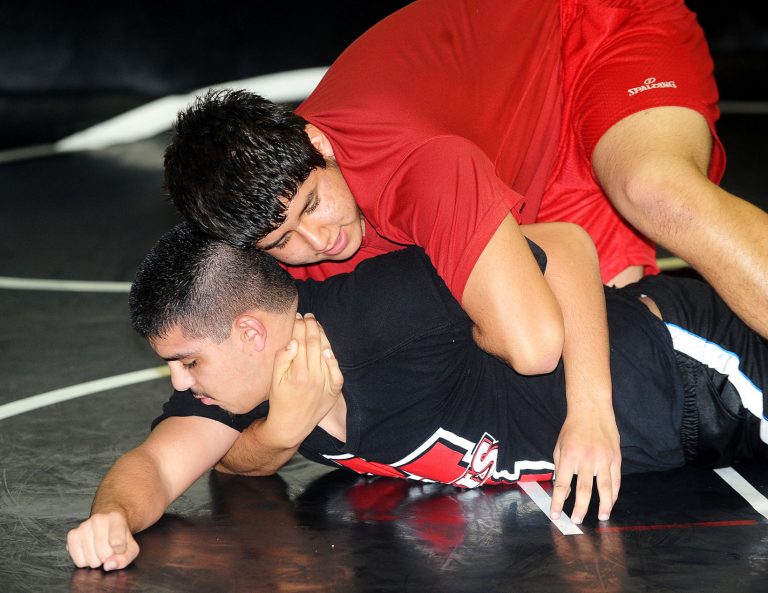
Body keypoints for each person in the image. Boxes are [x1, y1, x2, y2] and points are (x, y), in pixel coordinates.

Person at [163, 0, 768, 521]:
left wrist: (591, 412)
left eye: (313, 205)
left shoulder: (414, 167)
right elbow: (202, 436)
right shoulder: (275, 238)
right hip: (518, 158)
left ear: (317, 143)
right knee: (607, 314)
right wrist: (278, 432)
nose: (318, 242)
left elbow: (533, 346)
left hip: (586, 25)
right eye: (282, 241)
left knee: (654, 188)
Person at [67, 223, 767, 571]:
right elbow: (154, 465)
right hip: (664, 443)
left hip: (688, 368)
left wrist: (589, 409)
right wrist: (111, 517)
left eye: (187, 361)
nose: (179, 382)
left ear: (251, 331)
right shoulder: (249, 384)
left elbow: (562, 243)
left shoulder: (386, 306)